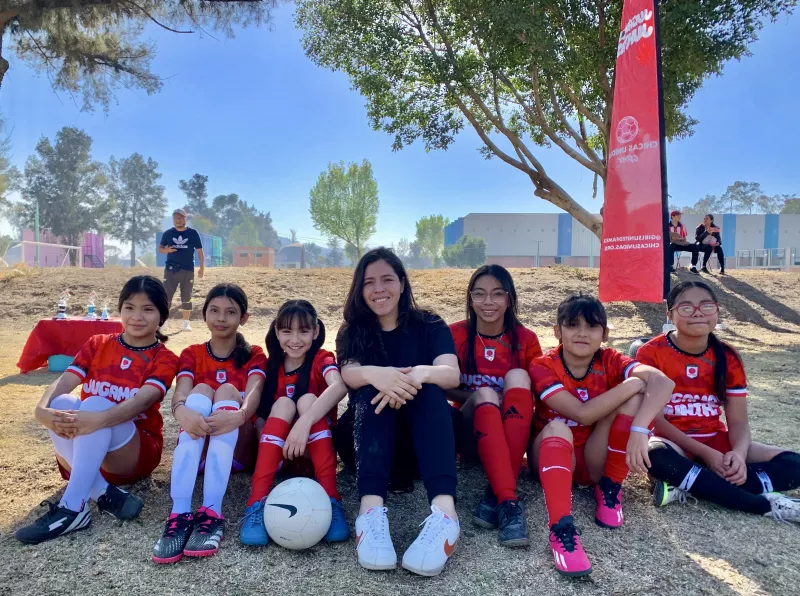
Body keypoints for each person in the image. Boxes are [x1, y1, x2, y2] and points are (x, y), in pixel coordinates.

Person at [15, 276, 179, 545]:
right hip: (86, 452)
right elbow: (64, 381)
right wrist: (41, 410)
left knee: (95, 402)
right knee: (62, 403)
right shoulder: (98, 343)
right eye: (129, 307)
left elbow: (142, 402)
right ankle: (100, 491)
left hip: (134, 450)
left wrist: (98, 419)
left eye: (147, 309)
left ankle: (72, 507)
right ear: (120, 309)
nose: (137, 316)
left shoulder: (165, 358)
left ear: (162, 315)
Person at [527, 294, 674, 577]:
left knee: (633, 402)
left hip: (594, 460)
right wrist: (632, 383)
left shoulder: (610, 358)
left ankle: (609, 487)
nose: (582, 333)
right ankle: (561, 529)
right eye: (572, 325)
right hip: (551, 460)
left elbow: (662, 382)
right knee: (560, 427)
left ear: (604, 334)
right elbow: (581, 414)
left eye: (592, 326)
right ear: (558, 331)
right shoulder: (543, 364)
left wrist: (641, 429)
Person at [335, 247, 460, 576]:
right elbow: (348, 373)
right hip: (368, 445)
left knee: (430, 389)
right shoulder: (353, 330)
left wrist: (416, 374)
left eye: (387, 279)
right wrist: (378, 375)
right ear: (360, 290)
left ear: (402, 284)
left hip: (422, 446)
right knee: (371, 391)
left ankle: (446, 516)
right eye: (369, 282)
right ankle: (370, 512)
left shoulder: (429, 324)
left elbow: (450, 373)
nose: (379, 289)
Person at [635, 281, 800, 521]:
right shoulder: (651, 352)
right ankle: (762, 505)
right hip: (673, 443)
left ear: (717, 310)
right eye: (686, 307)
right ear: (669, 314)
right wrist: (709, 456)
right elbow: (656, 422)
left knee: (793, 464)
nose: (698, 312)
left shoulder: (728, 356)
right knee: (655, 455)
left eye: (706, 306)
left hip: (715, 440)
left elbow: (739, 423)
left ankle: (692, 483)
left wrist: (739, 456)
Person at [152, 283, 266, 563]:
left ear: (244, 318)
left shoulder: (254, 354)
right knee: (201, 389)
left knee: (227, 390)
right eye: (214, 311)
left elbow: (254, 391)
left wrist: (239, 415)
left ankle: (212, 512)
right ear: (204, 315)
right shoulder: (192, 353)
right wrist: (180, 410)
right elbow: (182, 389)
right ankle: (179, 514)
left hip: (238, 447)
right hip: (199, 448)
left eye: (230, 312)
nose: (221, 318)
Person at [239, 300, 349, 546]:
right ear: (276, 332)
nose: (295, 339)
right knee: (283, 404)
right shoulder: (269, 365)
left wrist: (303, 425)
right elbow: (256, 408)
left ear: (316, 332)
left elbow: (339, 385)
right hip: (278, 454)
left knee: (307, 399)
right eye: (287, 331)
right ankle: (256, 504)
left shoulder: (322, 358)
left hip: (314, 453)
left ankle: (332, 499)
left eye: (304, 331)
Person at [447, 265, 542, 547]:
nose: (488, 302)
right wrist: (481, 397)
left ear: (509, 299)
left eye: (497, 294)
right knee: (487, 394)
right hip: (469, 433)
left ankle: (501, 496)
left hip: (511, 430)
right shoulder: (454, 335)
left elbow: (534, 394)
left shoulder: (526, 339)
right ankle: (508, 494)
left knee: (519, 376)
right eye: (480, 294)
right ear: (470, 299)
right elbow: (439, 386)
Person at [158, 208, 205, 331]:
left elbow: (200, 251)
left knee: (187, 296)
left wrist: (201, 268)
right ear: (173, 220)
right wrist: (168, 250)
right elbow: (160, 249)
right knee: (166, 296)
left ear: (185, 218)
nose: (178, 220)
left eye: (180, 217)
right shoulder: (168, 233)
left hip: (187, 270)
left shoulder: (193, 233)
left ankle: (185, 323)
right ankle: (164, 322)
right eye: (176, 218)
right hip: (170, 270)